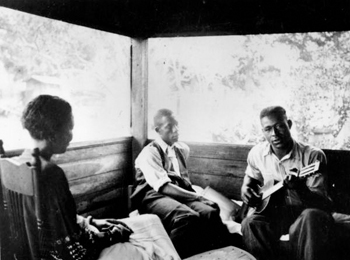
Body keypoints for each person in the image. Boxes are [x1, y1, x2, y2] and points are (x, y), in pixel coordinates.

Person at [20, 95, 180, 260]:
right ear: (53, 132)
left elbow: (57, 222)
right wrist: (113, 235)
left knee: (151, 220)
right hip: (75, 255)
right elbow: (73, 245)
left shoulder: (22, 164)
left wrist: (92, 222)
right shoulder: (50, 173)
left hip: (55, 248)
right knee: (148, 247)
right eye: (69, 128)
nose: (71, 136)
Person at [131, 108, 237, 258]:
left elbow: (181, 181)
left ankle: (213, 252)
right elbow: (164, 187)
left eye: (176, 125)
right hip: (152, 197)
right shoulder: (150, 153)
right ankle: (174, 256)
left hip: (174, 195)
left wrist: (197, 196)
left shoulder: (182, 149)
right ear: (157, 130)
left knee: (210, 211)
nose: (175, 130)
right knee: (186, 217)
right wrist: (197, 197)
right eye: (169, 126)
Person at [240, 106, 334, 260]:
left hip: (305, 213)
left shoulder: (312, 155)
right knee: (250, 223)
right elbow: (249, 179)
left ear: (289, 124)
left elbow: (322, 203)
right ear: (263, 131)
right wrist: (245, 189)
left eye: (279, 126)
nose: (274, 134)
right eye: (268, 129)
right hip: (276, 213)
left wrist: (300, 188)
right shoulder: (257, 153)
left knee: (311, 216)